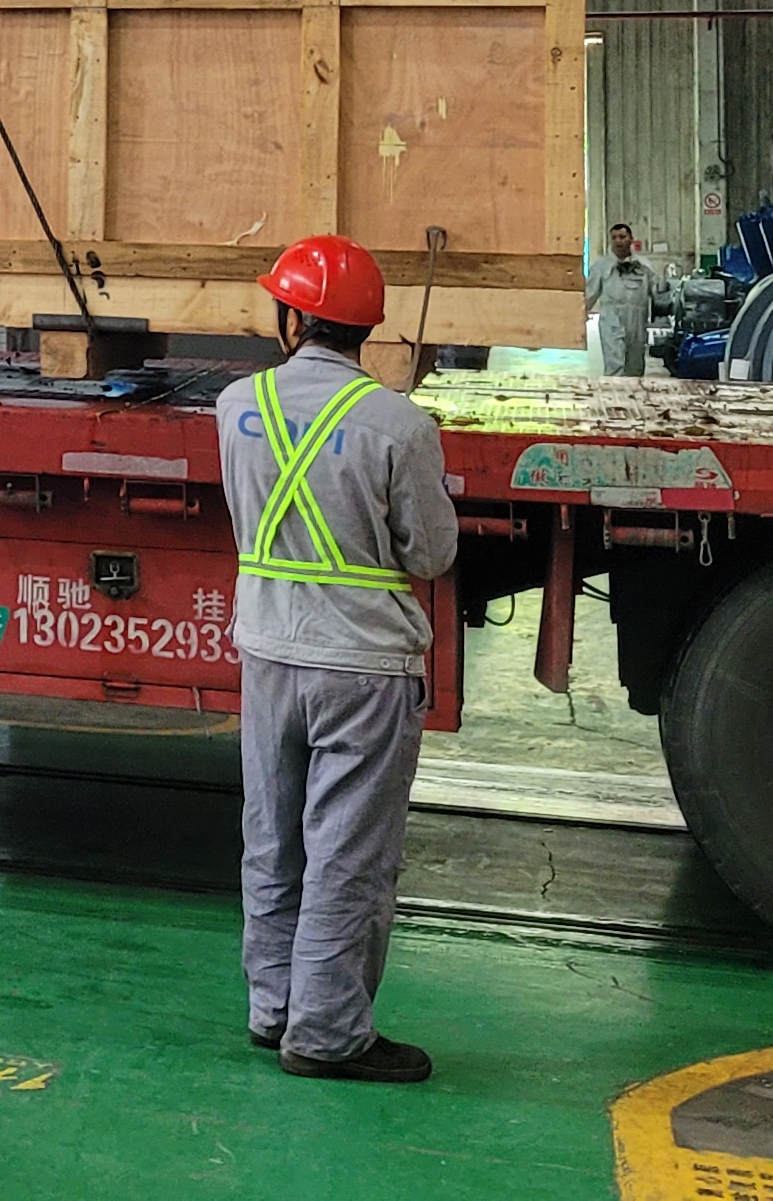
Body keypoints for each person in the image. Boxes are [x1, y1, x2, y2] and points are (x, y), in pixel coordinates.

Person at [223, 234, 457, 1084]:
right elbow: (430, 554)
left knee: (272, 840)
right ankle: (325, 1034)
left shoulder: (235, 405)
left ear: (290, 320)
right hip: (362, 667)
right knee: (347, 853)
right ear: (367, 327)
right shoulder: (400, 424)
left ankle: (275, 1008)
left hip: (267, 655)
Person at [586, 222, 660, 379]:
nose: (618, 241)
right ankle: (612, 393)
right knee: (615, 364)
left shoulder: (644, 266)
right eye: (614, 238)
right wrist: (579, 315)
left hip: (637, 320)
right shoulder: (601, 266)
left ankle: (634, 393)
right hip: (612, 320)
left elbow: (658, 293)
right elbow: (589, 294)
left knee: (635, 365)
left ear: (631, 239)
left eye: (622, 237)